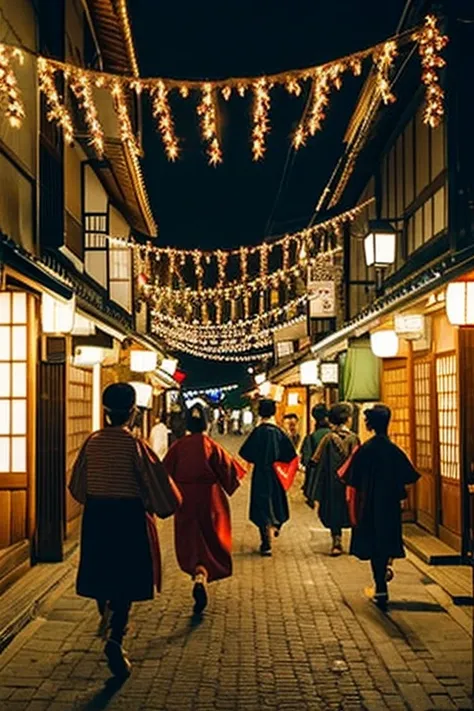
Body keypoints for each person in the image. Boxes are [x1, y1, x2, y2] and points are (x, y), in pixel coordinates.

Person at [69, 383, 181, 679]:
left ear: (105, 412)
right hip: (128, 516)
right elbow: (153, 483)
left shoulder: (92, 442)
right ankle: (117, 637)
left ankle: (104, 614)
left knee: (100, 572)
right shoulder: (135, 445)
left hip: (97, 515)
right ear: (132, 412)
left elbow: (77, 486)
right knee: (127, 576)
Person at [164, 403, 245, 616]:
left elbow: (163, 474)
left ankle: (197, 572)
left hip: (185, 499)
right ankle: (203, 574)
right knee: (211, 538)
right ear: (206, 423)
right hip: (211, 499)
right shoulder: (211, 445)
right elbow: (228, 471)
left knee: (190, 539)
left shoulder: (178, 447)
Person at [340, 404, 420, 611]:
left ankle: (381, 587)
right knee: (387, 541)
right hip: (391, 505)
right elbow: (409, 476)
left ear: (371, 424)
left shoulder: (365, 450)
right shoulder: (393, 450)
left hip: (369, 504)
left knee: (374, 544)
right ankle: (386, 572)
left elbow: (351, 478)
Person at [239, 399, 297, 556]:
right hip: (276, 473)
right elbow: (290, 454)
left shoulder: (258, 432)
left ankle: (266, 542)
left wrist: (257, 458)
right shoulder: (279, 432)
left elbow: (244, 452)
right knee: (277, 502)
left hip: (260, 474)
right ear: (274, 412)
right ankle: (276, 525)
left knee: (261, 505)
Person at [305, 402, 359, 556]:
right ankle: (355, 544)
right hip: (350, 482)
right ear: (348, 419)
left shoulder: (328, 438)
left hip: (331, 482)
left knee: (334, 511)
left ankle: (336, 542)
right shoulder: (354, 438)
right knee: (352, 510)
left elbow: (315, 459)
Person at [301, 404, 331, 502]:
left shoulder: (311, 437)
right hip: (333, 480)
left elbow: (305, 461)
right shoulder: (334, 435)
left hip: (316, 481)